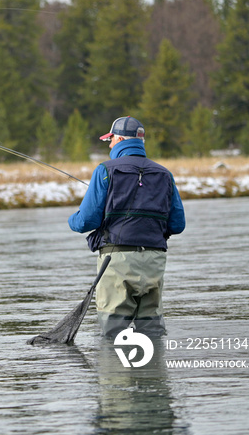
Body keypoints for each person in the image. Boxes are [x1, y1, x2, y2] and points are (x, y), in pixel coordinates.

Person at [68, 116, 185, 337]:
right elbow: (178, 225)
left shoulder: (105, 170)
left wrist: (72, 219)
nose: (110, 144)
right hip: (155, 261)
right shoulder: (165, 174)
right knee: (152, 331)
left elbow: (85, 221)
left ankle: (115, 371)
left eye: (110, 139)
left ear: (120, 138)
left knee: (113, 332)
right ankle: (154, 371)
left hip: (117, 261)